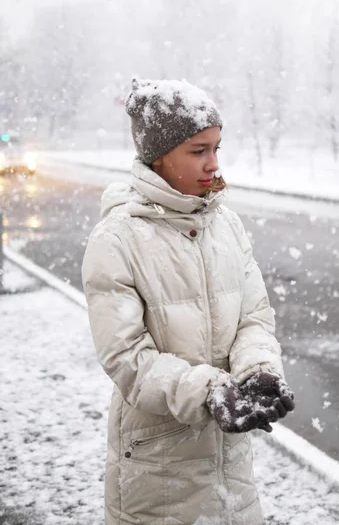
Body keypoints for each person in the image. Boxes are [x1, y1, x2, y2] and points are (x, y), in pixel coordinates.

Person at [82, 79, 295, 525]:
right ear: (159, 156)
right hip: (157, 467)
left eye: (217, 148)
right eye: (198, 151)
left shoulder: (227, 226)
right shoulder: (118, 237)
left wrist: (258, 370)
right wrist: (209, 391)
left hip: (230, 464)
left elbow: (253, 317)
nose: (213, 164)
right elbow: (126, 358)